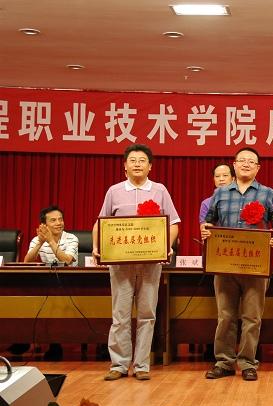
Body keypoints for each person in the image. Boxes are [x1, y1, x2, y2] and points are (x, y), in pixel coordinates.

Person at [93, 143, 181, 381]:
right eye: (132, 160)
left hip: (150, 263)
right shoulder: (114, 191)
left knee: (147, 314)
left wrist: (167, 245)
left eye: (142, 161)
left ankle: (142, 365)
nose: (137, 164)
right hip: (120, 264)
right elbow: (101, 222)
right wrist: (97, 246)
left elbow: (174, 223)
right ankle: (119, 365)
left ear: (150, 166)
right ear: (125, 166)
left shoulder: (160, 190)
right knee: (120, 315)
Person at [201, 147, 273, 381]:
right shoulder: (220, 193)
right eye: (242, 160)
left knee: (252, 317)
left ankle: (248, 363)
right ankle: (224, 362)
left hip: (256, 266)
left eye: (251, 161)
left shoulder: (268, 194)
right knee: (225, 316)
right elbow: (208, 222)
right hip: (225, 265)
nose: (246, 164)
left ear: (258, 168)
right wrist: (205, 231)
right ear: (234, 165)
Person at [21, 205, 79, 360]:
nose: (59, 223)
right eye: (53, 220)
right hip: (46, 284)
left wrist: (51, 241)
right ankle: (22, 338)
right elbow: (27, 262)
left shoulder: (72, 238)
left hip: (71, 285)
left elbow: (66, 260)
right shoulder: (37, 240)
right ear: (44, 225)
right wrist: (40, 242)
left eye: (60, 219)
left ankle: (55, 345)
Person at [198, 163, 235, 361]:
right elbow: (205, 228)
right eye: (217, 176)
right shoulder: (207, 203)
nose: (221, 179)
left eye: (225, 175)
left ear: (233, 178)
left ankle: (246, 353)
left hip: (242, 257)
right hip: (219, 259)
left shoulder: (243, 199)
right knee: (225, 311)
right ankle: (223, 354)